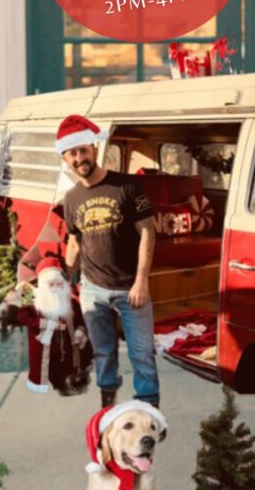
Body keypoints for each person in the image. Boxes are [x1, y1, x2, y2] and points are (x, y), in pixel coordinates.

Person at [57, 114, 159, 408]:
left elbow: (148, 234)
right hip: (92, 289)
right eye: (72, 153)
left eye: (83, 150)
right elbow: (75, 241)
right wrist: (65, 276)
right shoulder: (71, 198)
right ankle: (107, 405)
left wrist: (142, 281)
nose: (79, 158)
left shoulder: (127, 186)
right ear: (66, 159)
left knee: (142, 352)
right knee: (103, 352)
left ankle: (148, 409)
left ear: (94, 149)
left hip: (131, 288)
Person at [19, 256, 92, 396]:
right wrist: (48, 324)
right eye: (51, 285)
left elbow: (80, 321)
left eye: (59, 284)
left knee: (69, 367)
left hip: (68, 349)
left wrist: (79, 331)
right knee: (49, 369)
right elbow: (23, 317)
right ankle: (56, 383)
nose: (56, 288)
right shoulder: (35, 304)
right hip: (47, 349)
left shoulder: (71, 303)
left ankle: (69, 383)